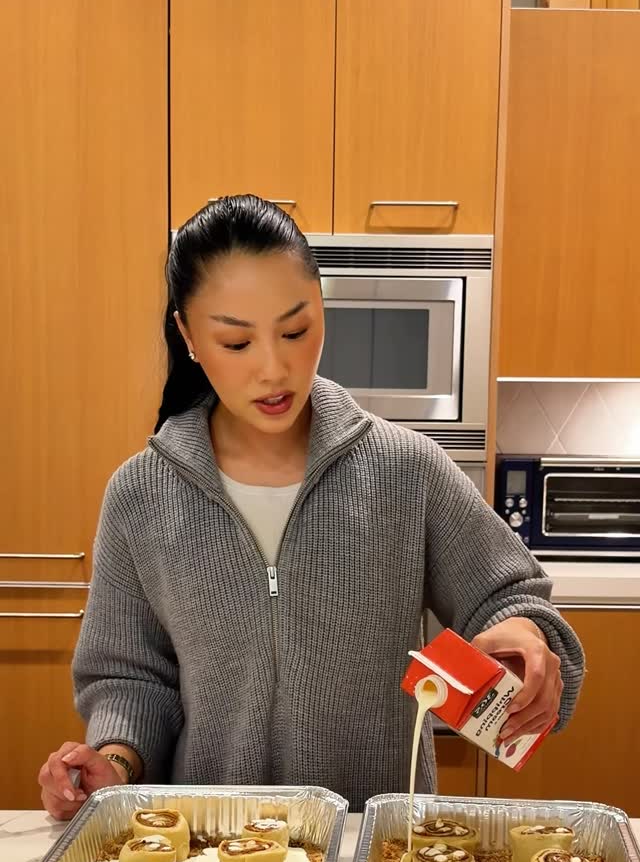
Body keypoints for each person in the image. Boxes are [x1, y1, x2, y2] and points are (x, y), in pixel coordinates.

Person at [38, 195, 584, 820]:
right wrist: (116, 762)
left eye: (296, 331)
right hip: (212, 853)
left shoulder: (406, 470)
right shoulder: (140, 495)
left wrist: (523, 637)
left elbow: (512, 600)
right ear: (188, 336)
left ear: (321, 308)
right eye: (236, 342)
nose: (274, 369)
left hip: (376, 849)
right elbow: (130, 679)